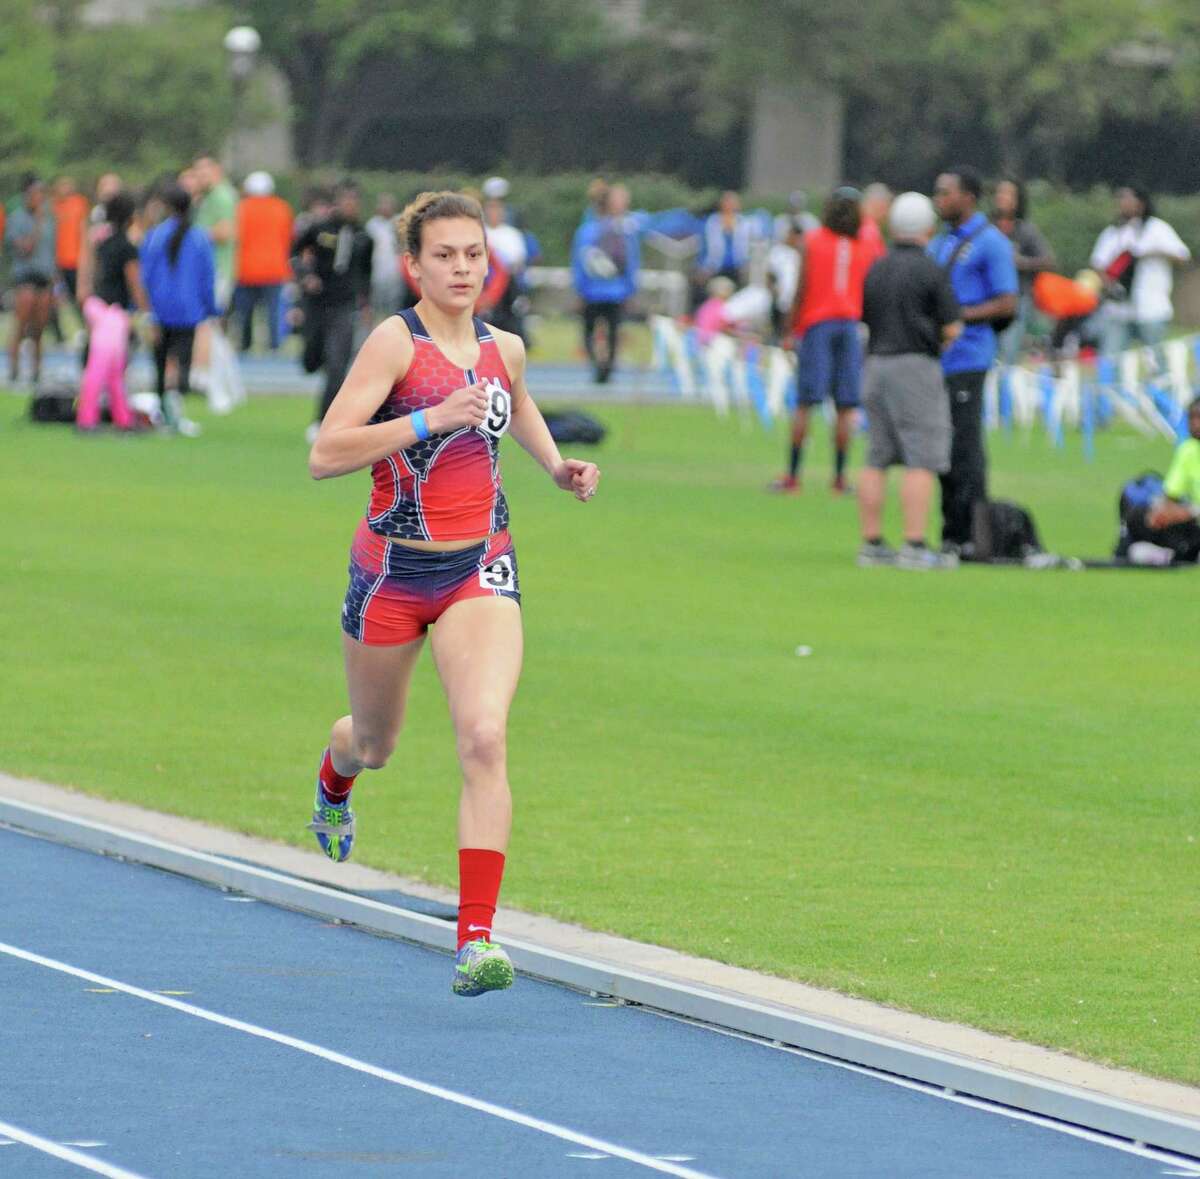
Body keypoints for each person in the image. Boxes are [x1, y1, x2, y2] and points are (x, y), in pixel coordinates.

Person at [305, 191, 600, 997]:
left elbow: (519, 403)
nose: (462, 268)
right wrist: (430, 417)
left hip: (480, 567)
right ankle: (336, 778)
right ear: (415, 266)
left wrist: (555, 466)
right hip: (392, 576)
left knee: (484, 737)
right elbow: (326, 452)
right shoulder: (393, 346)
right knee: (376, 743)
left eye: (473, 254)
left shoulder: (506, 346)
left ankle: (475, 941)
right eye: (445, 255)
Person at [857, 193, 963, 570]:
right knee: (922, 456)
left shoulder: (877, 267)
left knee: (877, 456)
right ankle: (914, 545)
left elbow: (865, 315)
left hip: (875, 363)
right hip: (915, 365)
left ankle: (871, 544)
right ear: (928, 229)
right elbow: (952, 326)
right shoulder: (930, 269)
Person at [930, 166, 1018, 555]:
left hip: (969, 356)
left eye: (944, 193)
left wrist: (959, 315)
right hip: (938, 358)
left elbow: (1007, 302)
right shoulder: (940, 242)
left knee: (965, 446)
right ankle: (951, 530)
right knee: (942, 447)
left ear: (967, 197)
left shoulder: (991, 243)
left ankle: (972, 534)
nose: (938, 200)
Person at [772, 186, 882, 495]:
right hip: (850, 325)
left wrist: (788, 329)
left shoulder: (813, 241)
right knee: (846, 406)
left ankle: (793, 476)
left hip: (817, 325)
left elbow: (801, 287)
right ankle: (839, 478)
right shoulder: (866, 244)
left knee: (805, 403)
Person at [292, 178, 374, 441]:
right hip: (317, 304)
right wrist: (305, 277)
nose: (349, 206)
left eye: (354, 201)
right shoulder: (319, 229)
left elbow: (366, 274)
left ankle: (323, 420)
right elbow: (294, 254)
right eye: (345, 201)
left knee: (338, 365)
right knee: (312, 359)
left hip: (344, 306)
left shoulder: (364, 236)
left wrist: (365, 304)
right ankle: (312, 357)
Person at [139, 184, 218, 435]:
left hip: (160, 308)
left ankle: (163, 411)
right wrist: (211, 307)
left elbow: (146, 275)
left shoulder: (155, 236)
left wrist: (144, 307)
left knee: (160, 363)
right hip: (188, 309)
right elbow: (207, 276)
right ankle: (176, 411)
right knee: (182, 362)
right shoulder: (200, 237)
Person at [1090, 186, 1191, 366]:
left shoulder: (1157, 228)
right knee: (1111, 358)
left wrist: (1152, 253)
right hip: (1119, 308)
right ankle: (1111, 392)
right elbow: (1098, 264)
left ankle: (1161, 392)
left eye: (1128, 199)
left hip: (1151, 305)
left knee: (1156, 358)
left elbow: (1182, 256)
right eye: (1120, 199)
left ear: (1141, 203)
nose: (1123, 203)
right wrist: (1110, 284)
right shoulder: (1113, 232)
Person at [76, 192, 148, 432]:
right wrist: (145, 308)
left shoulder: (103, 242)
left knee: (115, 369)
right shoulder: (127, 247)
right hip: (112, 312)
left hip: (98, 305)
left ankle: (123, 418)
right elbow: (134, 283)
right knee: (99, 368)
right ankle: (87, 418)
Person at [570, 182, 640, 384]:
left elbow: (578, 262)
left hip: (595, 291)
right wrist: (630, 289)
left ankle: (599, 367)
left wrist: (579, 289)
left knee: (590, 332)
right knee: (613, 333)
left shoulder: (587, 230)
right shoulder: (621, 231)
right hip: (612, 291)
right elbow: (631, 262)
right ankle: (606, 368)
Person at [1118, 398, 1200, 564]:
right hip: (1193, 521)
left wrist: (1191, 512)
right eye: (1192, 418)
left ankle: (1170, 556)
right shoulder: (1188, 450)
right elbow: (1171, 495)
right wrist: (1162, 514)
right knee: (1138, 517)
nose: (1195, 424)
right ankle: (1173, 554)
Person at [991, 179, 1055, 365]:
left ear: (1017, 200)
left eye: (1008, 194)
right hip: (988, 300)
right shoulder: (986, 228)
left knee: (1009, 351)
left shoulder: (1026, 230)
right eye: (999, 193)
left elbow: (1048, 261)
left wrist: (1021, 262)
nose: (1002, 198)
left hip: (1017, 299)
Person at [232, 171, 293, 352]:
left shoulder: (240, 208)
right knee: (274, 312)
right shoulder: (282, 208)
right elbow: (288, 237)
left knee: (244, 312)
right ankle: (275, 345)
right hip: (274, 268)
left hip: (245, 268)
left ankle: (244, 344)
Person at [5, 175, 57, 386]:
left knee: (39, 326)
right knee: (21, 323)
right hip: (25, 276)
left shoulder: (50, 219)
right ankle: (14, 367)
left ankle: (36, 369)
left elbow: (51, 250)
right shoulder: (18, 218)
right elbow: (25, 248)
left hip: (44, 276)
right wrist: (36, 225)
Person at [52, 175, 89, 312]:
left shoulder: (78, 203)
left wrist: (84, 257)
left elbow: (83, 232)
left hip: (75, 260)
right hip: (59, 260)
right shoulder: (54, 206)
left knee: (80, 296)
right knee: (57, 299)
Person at [365, 193, 401, 322]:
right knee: (374, 310)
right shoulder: (372, 225)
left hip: (396, 275)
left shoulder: (400, 223)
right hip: (376, 274)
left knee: (394, 311)